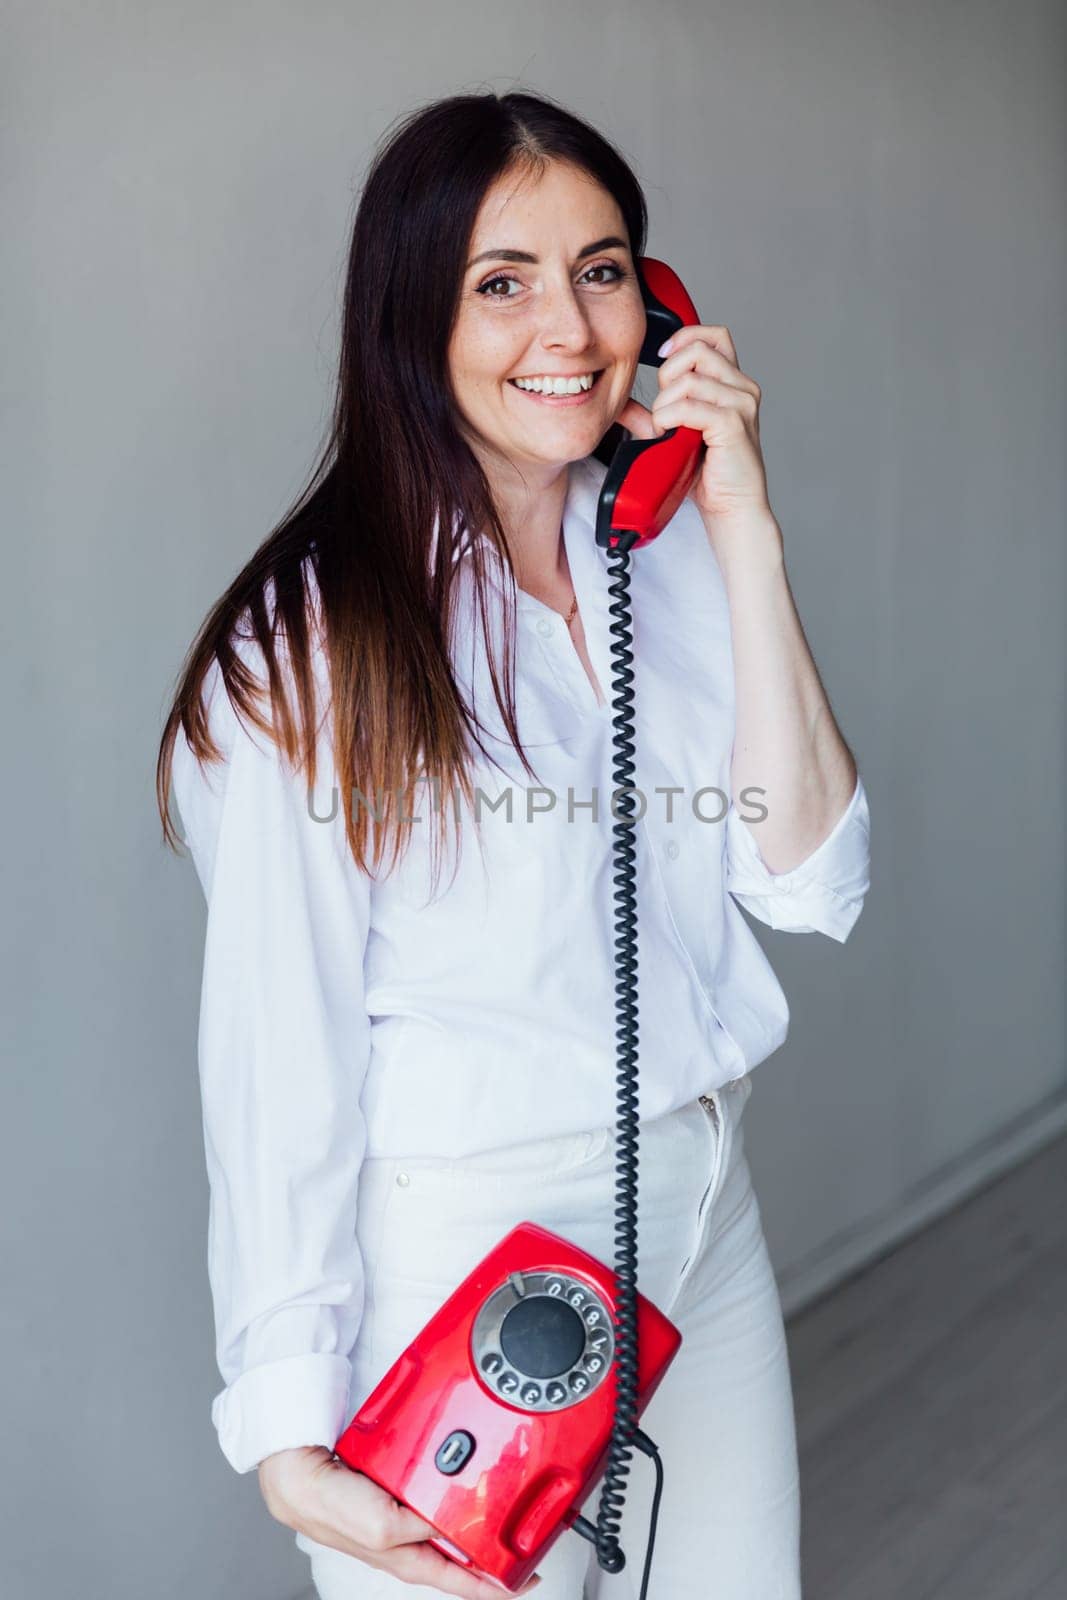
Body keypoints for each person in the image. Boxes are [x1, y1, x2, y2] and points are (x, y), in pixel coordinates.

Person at [157, 89, 871, 1600]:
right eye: (503, 282)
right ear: (411, 320)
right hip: (461, 1253)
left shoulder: (662, 559)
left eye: (604, 269)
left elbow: (813, 882)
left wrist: (742, 528)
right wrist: (287, 1418)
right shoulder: (311, 652)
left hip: (700, 1217)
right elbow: (276, 1050)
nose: (571, 323)